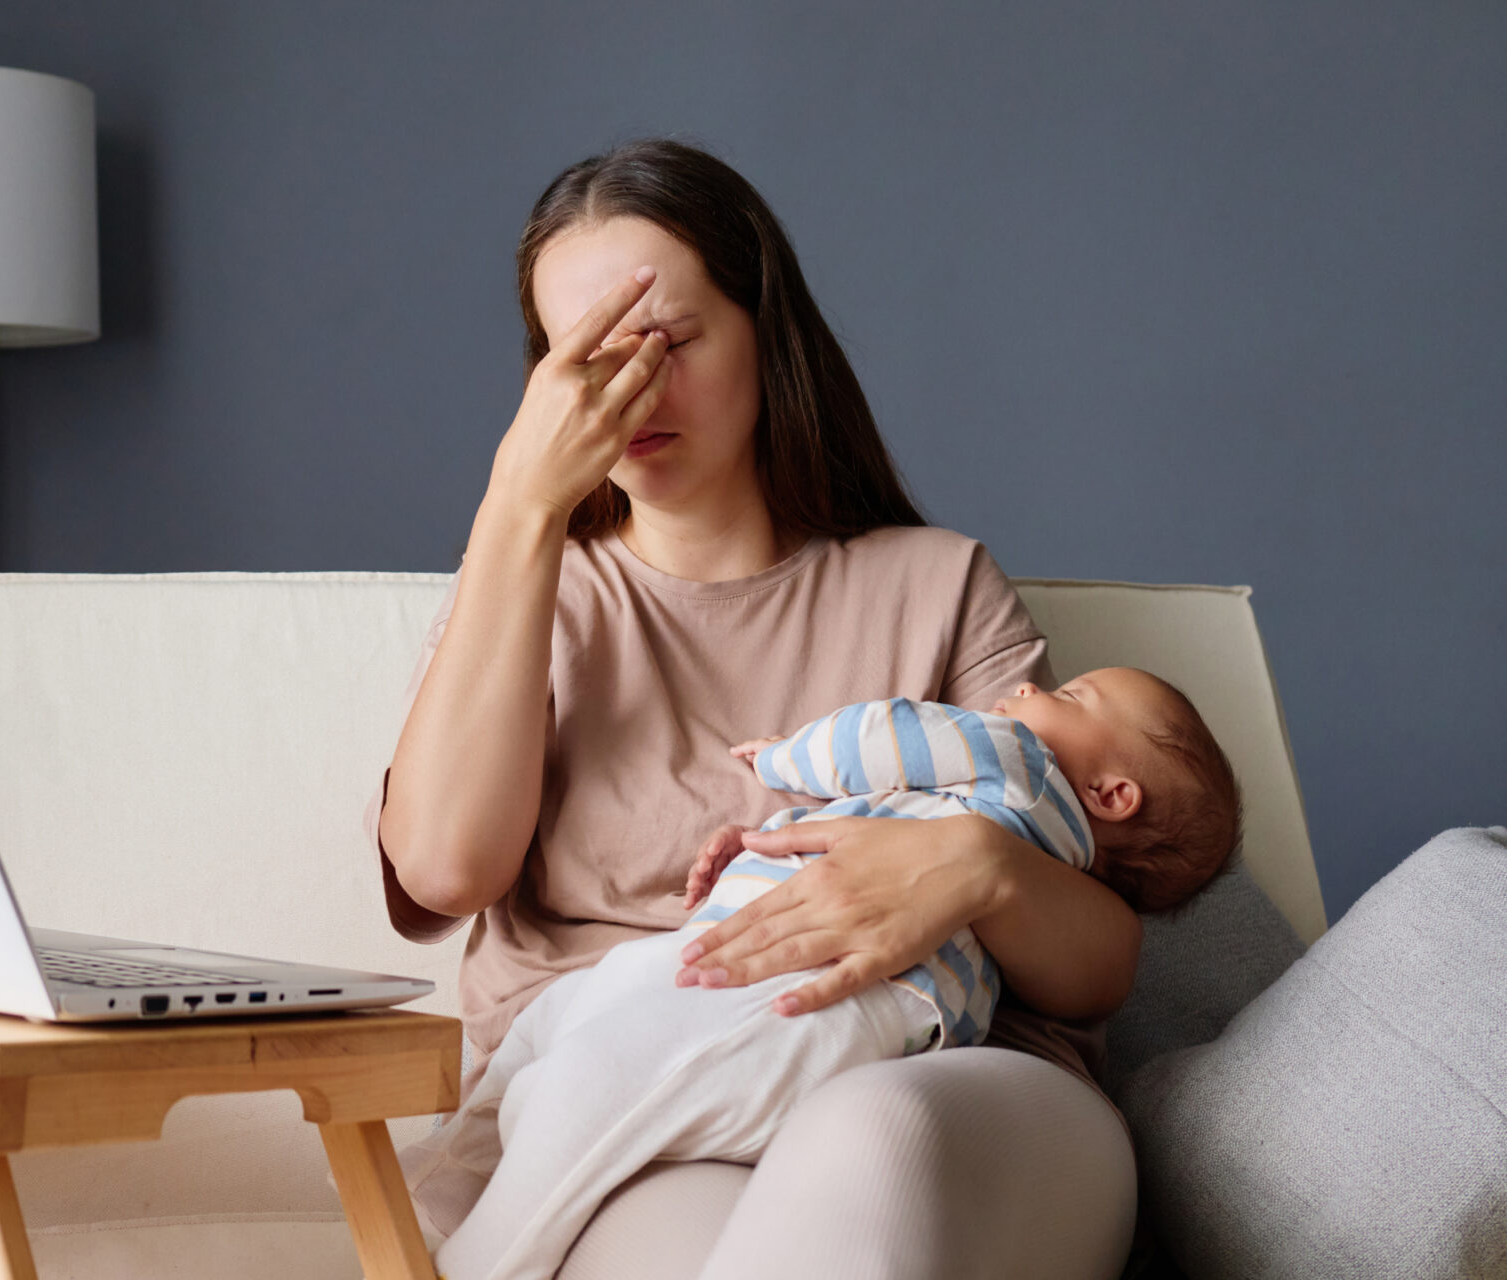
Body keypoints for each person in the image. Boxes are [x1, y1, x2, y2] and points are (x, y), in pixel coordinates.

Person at [366, 137, 1145, 1279]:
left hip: (948, 1078)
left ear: (763, 331)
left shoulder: (938, 582)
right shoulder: (534, 594)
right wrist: (521, 503)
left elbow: (1101, 960)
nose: (631, 387)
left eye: (669, 341)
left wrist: (976, 865)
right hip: (643, 1103)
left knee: (865, 1135)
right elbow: (441, 869)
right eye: (584, 357)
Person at [408, 671, 1242, 1280]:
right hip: (822, 997)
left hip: (827, 988)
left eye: (1074, 696)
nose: (1029, 686)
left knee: (600, 1076)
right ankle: (434, 1192)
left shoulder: (1016, 762)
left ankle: (474, 1256)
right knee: (566, 1021)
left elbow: (890, 734)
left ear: (1113, 793)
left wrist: (786, 761)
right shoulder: (1036, 830)